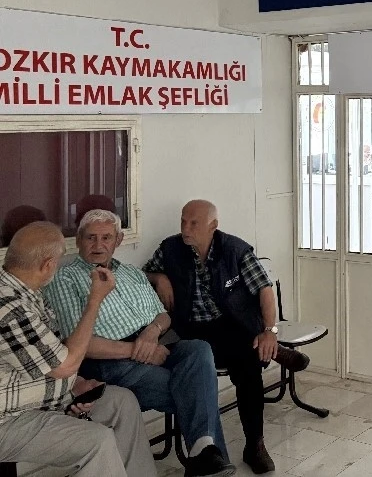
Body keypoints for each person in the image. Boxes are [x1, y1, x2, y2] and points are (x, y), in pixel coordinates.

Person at [45, 209, 235, 477]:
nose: (98, 245)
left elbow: (163, 315)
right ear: (78, 240)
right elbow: (78, 344)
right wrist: (138, 350)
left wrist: (152, 332)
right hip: (110, 361)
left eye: (106, 237)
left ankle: (204, 457)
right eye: (91, 237)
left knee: (198, 349)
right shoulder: (65, 278)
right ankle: (205, 457)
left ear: (118, 240)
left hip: (156, 344)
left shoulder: (132, 273)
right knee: (198, 389)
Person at [144, 200, 309, 475]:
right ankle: (273, 351)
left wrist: (269, 330)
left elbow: (264, 290)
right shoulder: (170, 249)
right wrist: (159, 278)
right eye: (183, 221)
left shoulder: (235, 250)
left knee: (248, 368)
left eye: (193, 223)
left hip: (235, 324)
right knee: (247, 355)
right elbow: (144, 273)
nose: (186, 228)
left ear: (213, 226)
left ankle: (255, 445)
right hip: (194, 329)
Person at [0, 221, 156, 476]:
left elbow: (52, 354)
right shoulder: (8, 308)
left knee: (122, 402)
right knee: (96, 441)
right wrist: (95, 299)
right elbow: (64, 365)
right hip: (10, 418)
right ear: (48, 265)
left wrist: (76, 384)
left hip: (45, 400)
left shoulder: (29, 293)